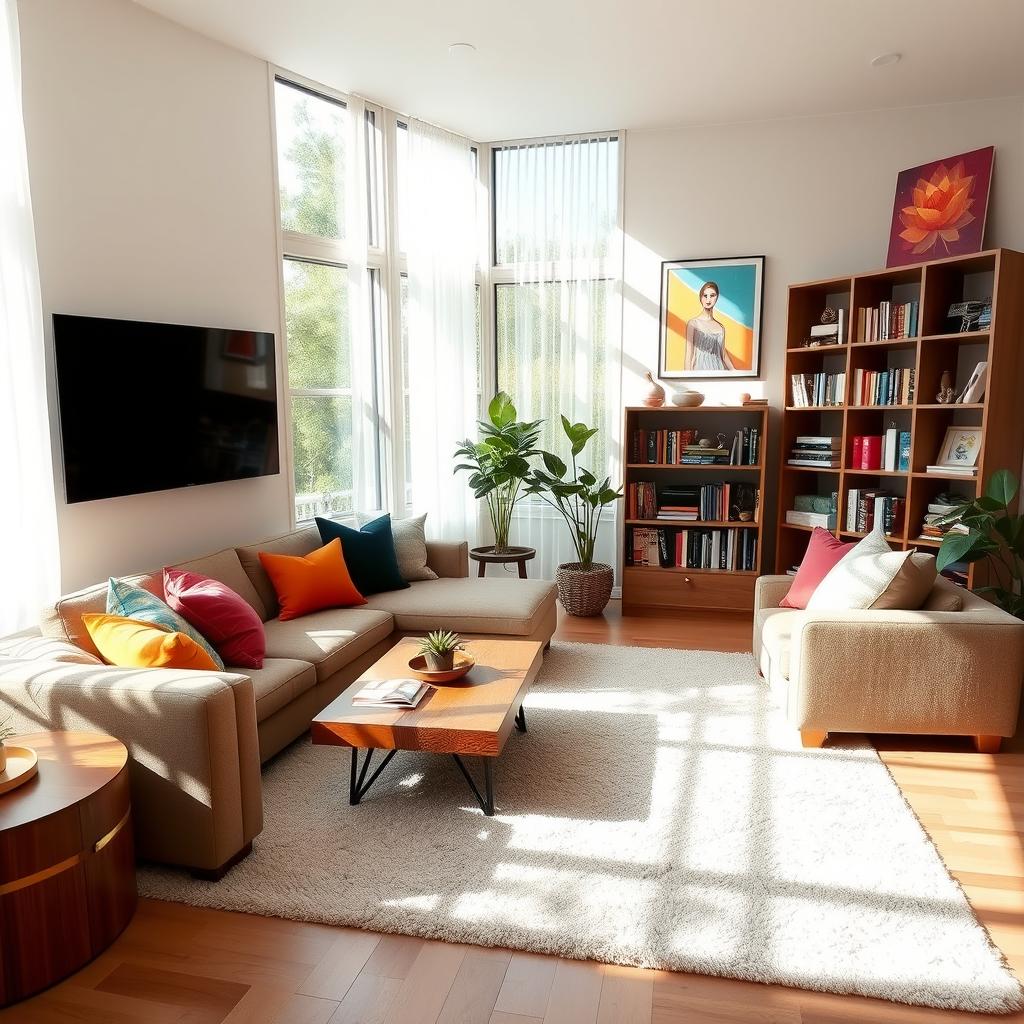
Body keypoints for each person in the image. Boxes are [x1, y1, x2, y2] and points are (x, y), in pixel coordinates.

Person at [685, 281, 736, 372]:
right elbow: (689, 354)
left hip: (719, 371)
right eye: (705, 296)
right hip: (699, 371)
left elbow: (723, 354)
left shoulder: (721, 328)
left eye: (712, 295)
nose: (708, 300)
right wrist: (687, 378)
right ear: (701, 297)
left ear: (717, 298)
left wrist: (734, 370)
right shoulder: (693, 323)